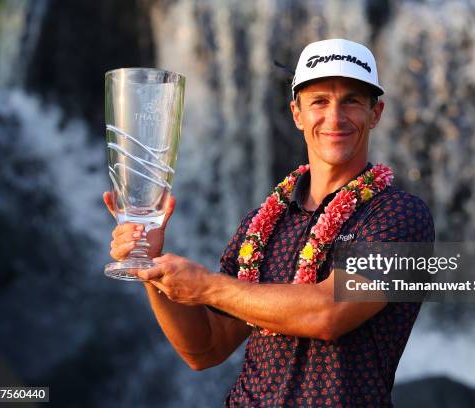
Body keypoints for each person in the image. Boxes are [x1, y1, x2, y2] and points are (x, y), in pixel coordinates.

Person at [104, 38, 435, 407]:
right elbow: (205, 349)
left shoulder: (400, 215)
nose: (335, 117)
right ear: (297, 114)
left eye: (352, 101)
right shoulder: (263, 222)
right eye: (319, 101)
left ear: (376, 113)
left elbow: (329, 312)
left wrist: (207, 287)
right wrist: (150, 265)